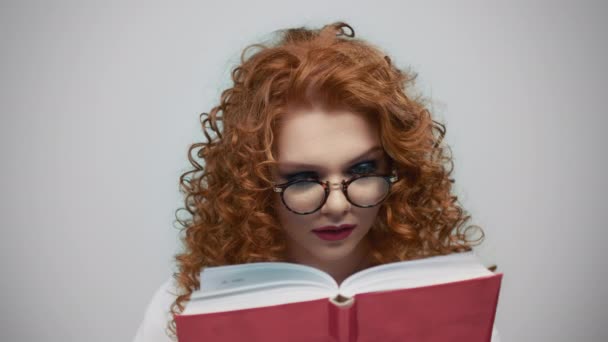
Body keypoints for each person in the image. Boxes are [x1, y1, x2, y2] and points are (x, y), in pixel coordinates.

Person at [133, 22, 500, 341]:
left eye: (361, 171)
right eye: (303, 178)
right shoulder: (183, 307)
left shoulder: (450, 298)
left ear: (397, 167)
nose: (338, 205)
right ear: (256, 186)